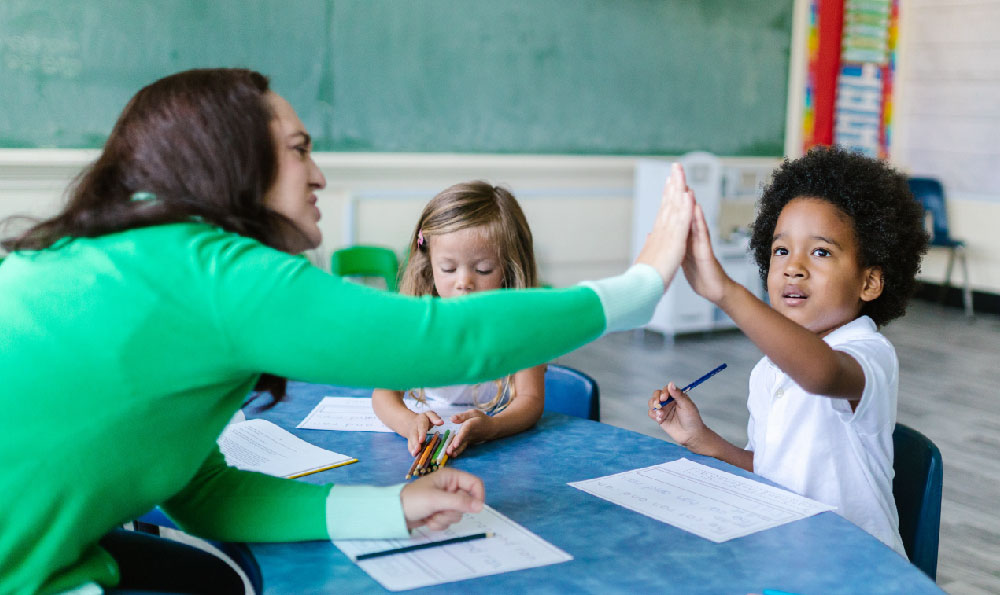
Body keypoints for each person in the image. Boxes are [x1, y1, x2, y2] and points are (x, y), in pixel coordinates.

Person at [0, 68, 695, 594]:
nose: (321, 174)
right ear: (234, 163)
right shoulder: (210, 269)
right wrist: (639, 286)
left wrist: (389, 505)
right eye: (300, 150)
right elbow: (440, 338)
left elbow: (202, 491)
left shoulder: (148, 257)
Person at [647, 146, 928, 555]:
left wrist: (725, 292)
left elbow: (823, 374)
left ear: (869, 282)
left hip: (856, 573)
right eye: (781, 250)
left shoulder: (869, 353)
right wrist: (702, 439)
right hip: (788, 556)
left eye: (820, 251)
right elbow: (768, 473)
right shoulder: (770, 370)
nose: (793, 266)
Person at [373, 182, 545, 459]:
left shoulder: (522, 327)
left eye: (483, 269)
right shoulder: (419, 323)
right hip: (432, 442)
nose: (464, 282)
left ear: (508, 268)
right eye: (449, 268)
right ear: (429, 263)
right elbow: (384, 396)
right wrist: (408, 423)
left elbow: (531, 400)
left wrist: (493, 427)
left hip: (501, 449)